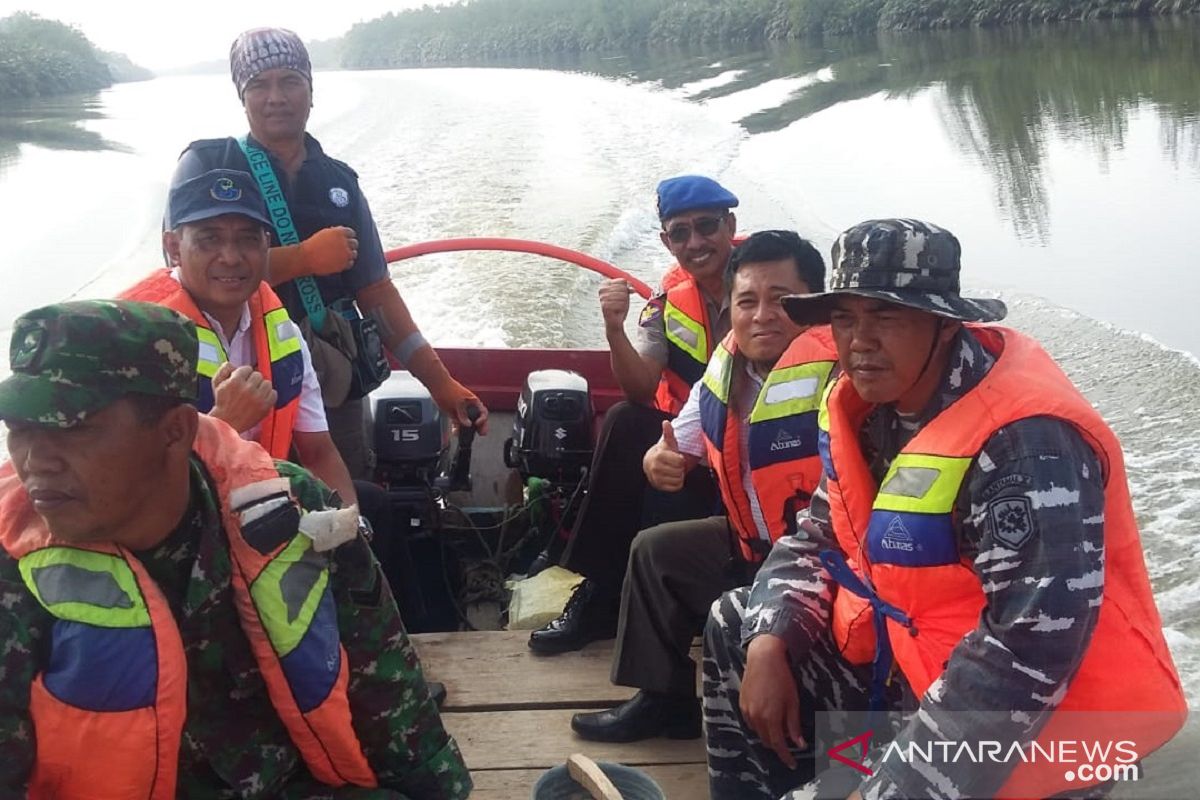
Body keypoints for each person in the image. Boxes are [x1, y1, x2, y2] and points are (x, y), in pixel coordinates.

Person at [703, 219, 1187, 800]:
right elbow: (819, 535)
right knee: (738, 622)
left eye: (885, 317)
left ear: (944, 323)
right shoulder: (872, 410)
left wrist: (891, 785)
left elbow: (1028, 650)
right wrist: (769, 641)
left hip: (1044, 731)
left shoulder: (1025, 446)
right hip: (920, 675)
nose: (859, 341)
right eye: (845, 318)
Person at [0, 300, 471, 799]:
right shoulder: (14, 568)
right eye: (19, 429)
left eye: (71, 428)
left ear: (175, 430)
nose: (36, 462)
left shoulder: (289, 512)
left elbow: (386, 685)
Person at [168, 27, 487, 480]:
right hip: (224, 381)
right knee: (233, 493)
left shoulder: (340, 181)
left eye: (290, 81)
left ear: (311, 92)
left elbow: (376, 293)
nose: (276, 96)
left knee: (341, 492)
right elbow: (179, 274)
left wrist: (442, 385)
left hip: (330, 378)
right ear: (242, 97)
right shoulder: (206, 165)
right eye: (259, 84)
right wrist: (304, 258)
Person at [570, 230, 836, 743]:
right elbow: (677, 442)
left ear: (814, 307)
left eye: (782, 301)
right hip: (748, 545)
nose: (762, 315)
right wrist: (658, 459)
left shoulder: (842, 378)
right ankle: (663, 700)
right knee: (655, 550)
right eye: (747, 301)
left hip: (825, 566)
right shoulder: (728, 365)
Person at [529, 174, 736, 653]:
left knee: (660, 469)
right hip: (692, 448)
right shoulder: (667, 304)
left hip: (757, 452)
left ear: (729, 225)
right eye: (680, 233)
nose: (695, 242)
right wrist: (613, 328)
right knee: (625, 421)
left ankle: (654, 611)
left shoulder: (768, 289)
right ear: (666, 241)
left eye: (706, 226)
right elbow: (641, 386)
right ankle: (600, 594)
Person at [122, 166, 356, 506]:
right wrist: (222, 425)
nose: (230, 257)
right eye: (209, 239)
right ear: (173, 247)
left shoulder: (283, 333)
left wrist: (352, 529)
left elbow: (318, 452)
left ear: (266, 247)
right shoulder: (130, 337)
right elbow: (121, 484)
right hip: (168, 531)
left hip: (257, 507)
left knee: (375, 506)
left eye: (247, 239)